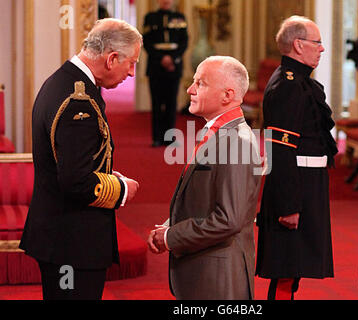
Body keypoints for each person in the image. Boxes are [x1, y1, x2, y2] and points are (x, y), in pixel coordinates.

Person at [19, 18, 141, 300]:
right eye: (131, 63)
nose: (132, 73)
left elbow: (75, 161)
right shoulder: (79, 101)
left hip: (61, 236)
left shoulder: (63, 81)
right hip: (71, 242)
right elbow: (75, 181)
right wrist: (121, 189)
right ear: (112, 58)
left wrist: (107, 174)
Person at [147, 56, 262, 300]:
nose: (190, 89)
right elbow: (207, 199)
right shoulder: (218, 132)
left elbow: (228, 220)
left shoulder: (237, 143)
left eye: (200, 83)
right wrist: (171, 224)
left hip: (219, 280)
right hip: (206, 273)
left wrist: (171, 237)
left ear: (227, 95)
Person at [255, 16, 338, 300]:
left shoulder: (301, 81)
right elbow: (281, 151)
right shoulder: (287, 86)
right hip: (295, 186)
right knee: (287, 270)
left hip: (308, 184)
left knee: (295, 269)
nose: (322, 49)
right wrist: (288, 206)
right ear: (298, 45)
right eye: (317, 43)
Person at [142, 0, 188, 147]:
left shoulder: (180, 17)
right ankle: (156, 138)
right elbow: (147, 42)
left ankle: (169, 138)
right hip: (156, 66)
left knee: (171, 103)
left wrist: (172, 58)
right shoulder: (150, 17)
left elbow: (184, 41)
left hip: (174, 66)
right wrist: (162, 58)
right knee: (156, 103)